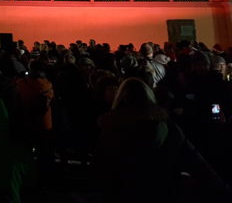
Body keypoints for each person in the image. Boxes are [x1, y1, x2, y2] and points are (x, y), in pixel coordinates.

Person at [94, 77, 232, 202]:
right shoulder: (168, 129)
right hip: (164, 194)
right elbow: (199, 166)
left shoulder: (109, 129)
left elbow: (102, 171)